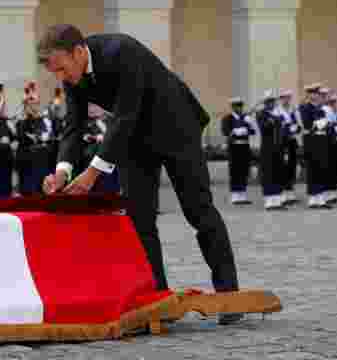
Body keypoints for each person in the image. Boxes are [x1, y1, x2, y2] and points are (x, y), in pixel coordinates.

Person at [37, 24, 242, 323]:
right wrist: (62, 172)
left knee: (198, 210)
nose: (61, 78)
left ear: (79, 52)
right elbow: (73, 125)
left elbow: (125, 114)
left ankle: (229, 296)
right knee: (138, 216)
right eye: (55, 72)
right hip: (134, 139)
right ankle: (157, 299)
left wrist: (92, 174)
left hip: (175, 127)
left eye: (62, 69)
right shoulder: (71, 74)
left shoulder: (122, 51)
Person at [300, 85, 331, 209]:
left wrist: (326, 123)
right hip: (312, 141)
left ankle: (321, 198)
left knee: (322, 168)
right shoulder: (305, 108)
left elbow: (327, 125)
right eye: (313, 93)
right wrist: (320, 123)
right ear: (309, 95)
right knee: (313, 169)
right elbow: (307, 124)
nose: (316, 96)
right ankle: (313, 199)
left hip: (321, 140)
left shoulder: (321, 109)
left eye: (317, 93)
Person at [221, 97, 255, 205]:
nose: (239, 108)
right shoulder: (227, 118)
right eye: (236, 106)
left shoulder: (245, 117)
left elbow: (253, 131)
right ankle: (235, 195)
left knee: (244, 170)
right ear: (232, 107)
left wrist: (247, 126)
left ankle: (243, 195)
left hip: (244, 147)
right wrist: (235, 131)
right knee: (235, 171)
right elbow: (225, 131)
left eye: (240, 106)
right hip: (234, 147)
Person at [15, 84, 48, 196]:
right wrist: (26, 112)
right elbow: (20, 135)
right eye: (30, 103)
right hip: (26, 162)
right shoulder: (22, 121)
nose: (33, 106)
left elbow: (49, 138)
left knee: (41, 192)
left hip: (41, 162)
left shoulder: (44, 121)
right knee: (27, 192)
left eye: (35, 103)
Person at [256, 91, 287, 211]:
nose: (271, 103)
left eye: (272, 101)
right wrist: (274, 119)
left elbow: (282, 128)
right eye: (269, 101)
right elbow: (265, 126)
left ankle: (277, 200)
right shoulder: (261, 114)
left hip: (278, 147)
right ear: (265, 103)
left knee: (278, 173)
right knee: (268, 174)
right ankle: (269, 201)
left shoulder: (277, 114)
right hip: (268, 148)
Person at [0, 85, 16, 199]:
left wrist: (12, 142)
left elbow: (15, 137)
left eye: (2, 105)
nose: (0, 107)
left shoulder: (8, 121)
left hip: (7, 159)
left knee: (7, 186)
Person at [277, 90, 301, 205]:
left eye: (288, 98)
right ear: (281, 99)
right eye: (284, 98)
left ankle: (290, 191)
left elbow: (298, 125)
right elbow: (279, 127)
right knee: (282, 167)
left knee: (292, 166)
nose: (287, 100)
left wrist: (296, 128)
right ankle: (282, 193)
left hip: (291, 141)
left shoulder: (292, 110)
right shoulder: (278, 111)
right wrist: (288, 128)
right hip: (282, 142)